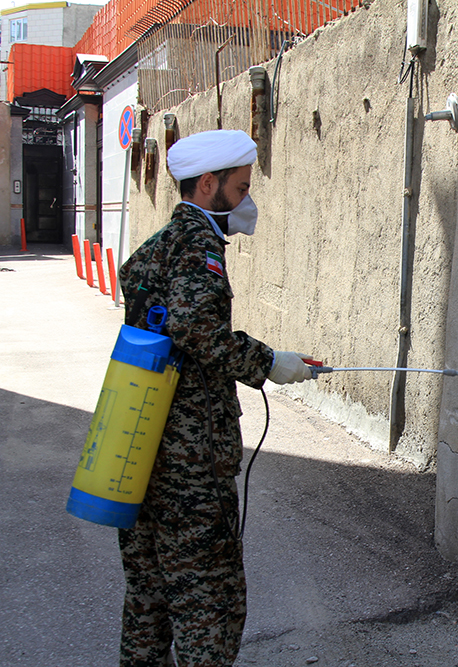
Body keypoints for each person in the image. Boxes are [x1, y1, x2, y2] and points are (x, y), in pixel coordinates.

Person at [117, 129, 314, 667]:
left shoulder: (154, 250)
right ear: (209, 185)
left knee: (149, 605)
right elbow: (198, 329)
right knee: (211, 608)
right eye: (242, 186)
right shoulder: (199, 245)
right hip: (189, 471)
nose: (247, 199)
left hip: (135, 452)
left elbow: (159, 315)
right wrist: (269, 362)